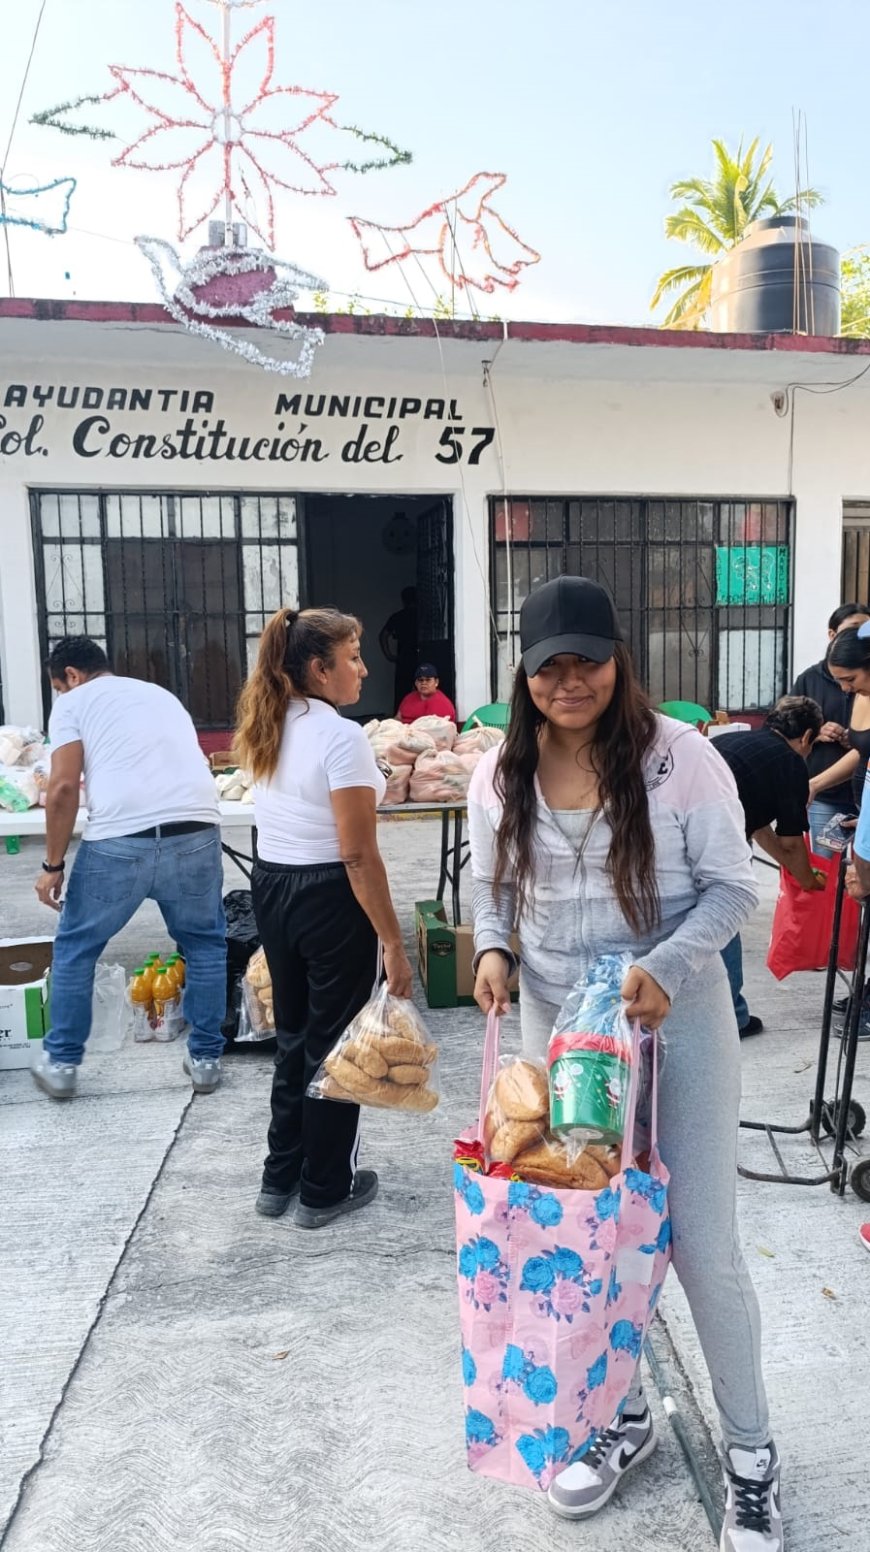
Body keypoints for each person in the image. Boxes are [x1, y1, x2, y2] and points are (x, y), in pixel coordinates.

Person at [469, 575, 782, 1552]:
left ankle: (752, 1459)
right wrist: (492, 950)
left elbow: (736, 888)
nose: (570, 681)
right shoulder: (498, 775)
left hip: (674, 1023)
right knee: (586, 1233)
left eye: (588, 661)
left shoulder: (679, 762)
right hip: (559, 1030)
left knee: (696, 1245)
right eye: (549, 665)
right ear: (523, 674)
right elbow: (491, 892)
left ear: (619, 662)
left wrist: (664, 967)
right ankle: (619, 1414)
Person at [234, 606, 413, 1230]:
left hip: (273, 887)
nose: (364, 670)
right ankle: (324, 1188)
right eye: (354, 658)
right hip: (330, 895)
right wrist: (393, 942)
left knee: (294, 1039)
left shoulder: (267, 722)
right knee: (336, 1048)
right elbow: (358, 855)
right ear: (318, 667)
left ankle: (278, 1178)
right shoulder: (339, 736)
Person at [31, 636, 226, 1100]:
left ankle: (61, 1063)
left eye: (60, 686)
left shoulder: (73, 702)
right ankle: (205, 1060)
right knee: (204, 945)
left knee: (77, 948)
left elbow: (61, 789)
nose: (62, 693)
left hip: (120, 840)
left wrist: (52, 864)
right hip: (197, 831)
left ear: (70, 677)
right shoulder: (161, 695)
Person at [713, 697, 825, 1037]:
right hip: (714, 843)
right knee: (723, 920)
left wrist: (791, 871)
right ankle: (732, 1017)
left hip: (673, 832)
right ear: (807, 737)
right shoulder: (790, 763)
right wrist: (808, 879)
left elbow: (760, 828)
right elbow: (791, 841)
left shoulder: (732, 740)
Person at [791, 602, 870, 854]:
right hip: (834, 798)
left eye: (850, 680)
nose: (845, 688)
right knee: (829, 873)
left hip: (861, 804)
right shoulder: (810, 679)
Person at [379, 586, 418, 707]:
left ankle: (400, 720)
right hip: (422, 656)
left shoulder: (398, 617)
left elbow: (383, 635)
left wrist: (389, 655)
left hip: (404, 657)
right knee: (424, 689)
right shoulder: (424, 617)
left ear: (403, 601)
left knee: (402, 693)